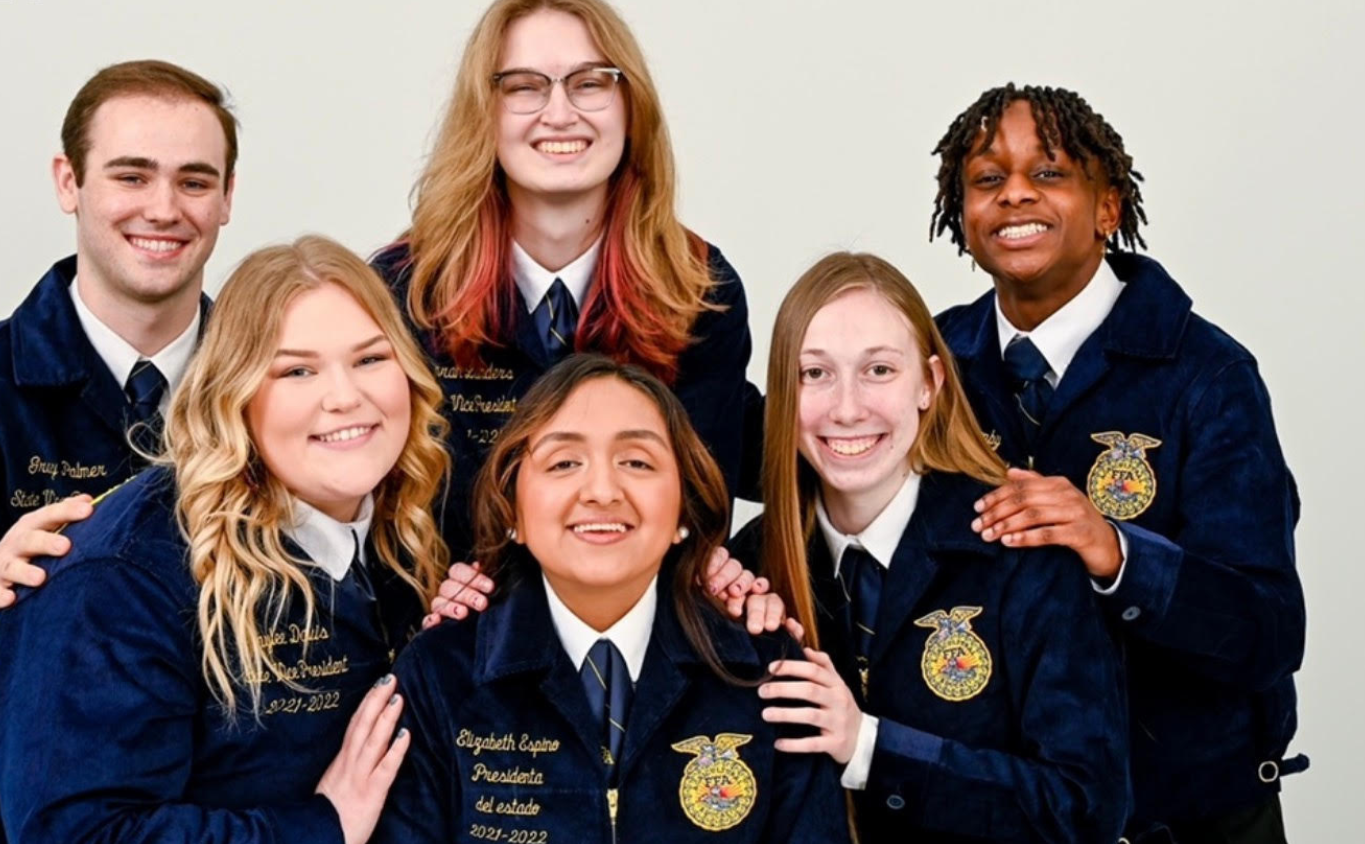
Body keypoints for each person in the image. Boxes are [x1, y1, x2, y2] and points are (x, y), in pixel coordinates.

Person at [0, 236, 445, 844]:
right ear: (235, 396)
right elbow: (82, 835)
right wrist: (322, 828)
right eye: (297, 370)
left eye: (371, 359)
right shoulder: (122, 576)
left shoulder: (401, 526)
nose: (346, 397)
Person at [931, 83, 1305, 843]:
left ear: (1108, 207)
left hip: (1192, 818)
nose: (1015, 195)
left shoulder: (1206, 375)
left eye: (1050, 172)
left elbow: (1268, 631)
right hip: (1005, 813)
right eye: (988, 178)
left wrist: (1118, 553)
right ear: (961, 214)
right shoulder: (931, 367)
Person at [0, 60, 236, 760]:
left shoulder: (274, 386)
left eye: (194, 181)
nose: (163, 208)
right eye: (131, 176)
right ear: (69, 182)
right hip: (0, 807)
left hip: (214, 804)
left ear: (227, 198)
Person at [730, 252, 1129, 842]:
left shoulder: (1018, 549)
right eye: (814, 373)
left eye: (879, 371)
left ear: (930, 384)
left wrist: (870, 747)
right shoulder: (749, 567)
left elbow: (1086, 807)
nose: (846, 409)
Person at [374, 354, 848, 843]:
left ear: (685, 506)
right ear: (511, 506)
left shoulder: (766, 671)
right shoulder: (439, 675)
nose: (601, 490)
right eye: (564, 463)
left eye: (637, 462)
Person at [371, 0, 759, 557]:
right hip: (449, 616)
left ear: (630, 106)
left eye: (590, 83)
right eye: (525, 86)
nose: (559, 113)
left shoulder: (701, 287)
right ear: (485, 109)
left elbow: (697, 510)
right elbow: (389, 505)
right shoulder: (402, 288)